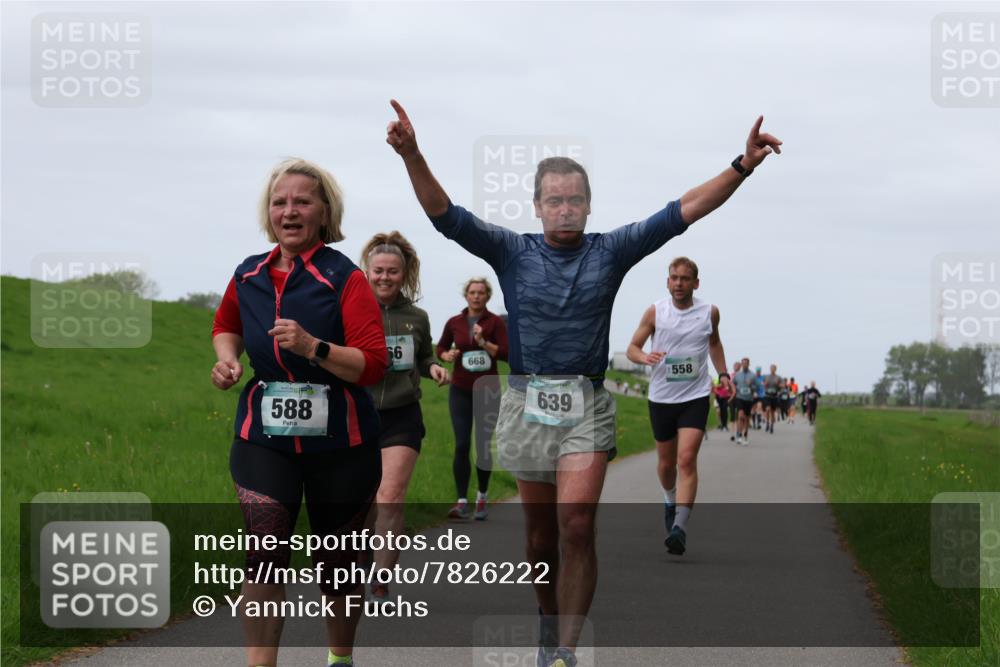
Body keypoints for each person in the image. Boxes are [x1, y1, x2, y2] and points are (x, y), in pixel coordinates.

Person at [386, 98, 781, 667]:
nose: (565, 208)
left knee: (576, 526)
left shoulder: (611, 250)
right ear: (538, 205)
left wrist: (741, 166)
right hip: (525, 402)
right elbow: (445, 215)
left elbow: (686, 209)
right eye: (555, 199)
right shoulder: (511, 251)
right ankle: (549, 624)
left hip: (586, 404)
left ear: (589, 205)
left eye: (575, 200)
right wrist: (412, 153)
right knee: (540, 541)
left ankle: (567, 650)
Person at [211, 158, 387, 667]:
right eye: (280, 202)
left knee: (339, 561)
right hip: (263, 436)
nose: (290, 211)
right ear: (269, 213)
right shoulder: (248, 273)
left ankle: (339, 656)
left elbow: (372, 364)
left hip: (343, 444)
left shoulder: (345, 279)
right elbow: (226, 327)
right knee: (265, 551)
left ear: (324, 211)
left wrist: (315, 348)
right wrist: (227, 362)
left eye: (302, 201)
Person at [360, 231, 450, 604]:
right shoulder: (349, 310)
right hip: (358, 414)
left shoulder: (417, 316)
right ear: (367, 271)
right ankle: (359, 562)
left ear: (404, 273)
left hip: (402, 416)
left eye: (392, 272)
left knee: (391, 497)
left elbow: (424, 355)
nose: (384, 278)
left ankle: (381, 578)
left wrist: (434, 369)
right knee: (361, 502)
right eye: (378, 271)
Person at [626, 257, 733, 555]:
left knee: (686, 460)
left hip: (695, 395)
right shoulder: (655, 312)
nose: (678, 283)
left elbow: (715, 344)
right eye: (674, 278)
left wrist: (723, 374)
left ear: (695, 283)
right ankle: (669, 500)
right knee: (666, 464)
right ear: (667, 281)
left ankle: (680, 527)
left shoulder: (709, 312)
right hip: (661, 397)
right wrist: (643, 357)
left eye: (685, 279)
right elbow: (633, 347)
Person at [437, 277, 509, 520]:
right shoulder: (454, 322)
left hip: (487, 390)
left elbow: (506, 353)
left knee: (482, 445)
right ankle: (461, 501)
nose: (476, 296)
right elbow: (441, 347)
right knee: (461, 444)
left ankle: (482, 497)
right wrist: (447, 355)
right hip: (460, 389)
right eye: (472, 292)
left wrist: (482, 342)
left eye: (481, 292)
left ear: (487, 296)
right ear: (466, 295)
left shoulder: (495, 322)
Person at [731, 358, 758, 446]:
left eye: (746, 363)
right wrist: (732, 390)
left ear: (748, 364)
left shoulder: (753, 375)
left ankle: (745, 436)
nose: (744, 365)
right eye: (743, 363)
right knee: (740, 416)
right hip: (740, 398)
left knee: (746, 418)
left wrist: (751, 385)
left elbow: (756, 388)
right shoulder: (737, 375)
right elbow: (733, 384)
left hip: (749, 399)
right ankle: (738, 435)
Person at [762, 364, 782, 434]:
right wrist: (765, 384)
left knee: (772, 412)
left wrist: (778, 384)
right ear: (770, 369)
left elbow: (783, 385)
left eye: (774, 368)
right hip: (767, 396)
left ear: (775, 369)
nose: (772, 369)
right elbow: (762, 384)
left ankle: (771, 426)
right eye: (771, 368)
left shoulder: (778, 377)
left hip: (774, 396)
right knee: (767, 409)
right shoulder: (766, 376)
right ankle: (767, 422)